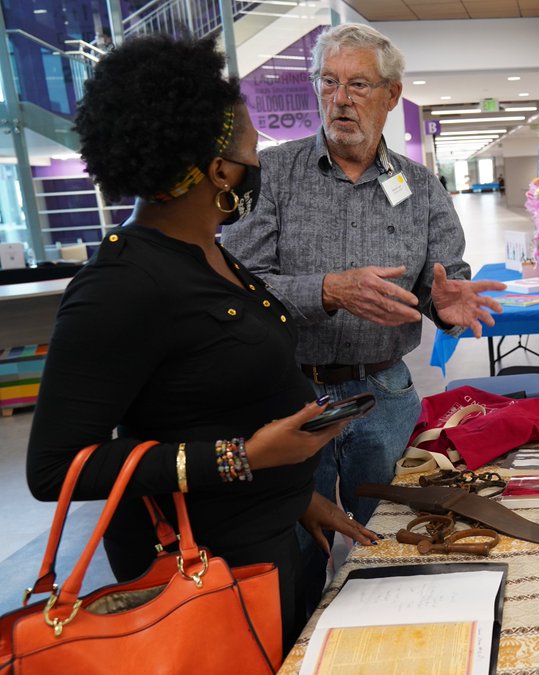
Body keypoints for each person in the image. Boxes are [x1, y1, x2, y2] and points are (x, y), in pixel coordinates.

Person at [25, 35, 377, 651]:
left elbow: (206, 396)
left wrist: (297, 498)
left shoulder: (213, 256)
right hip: (200, 572)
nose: (258, 164)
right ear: (218, 170)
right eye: (252, 151)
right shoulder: (122, 285)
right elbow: (56, 469)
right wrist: (244, 457)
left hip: (268, 540)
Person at [220, 23, 505, 598]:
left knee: (402, 543)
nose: (341, 99)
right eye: (328, 82)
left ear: (392, 94)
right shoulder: (272, 176)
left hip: (386, 397)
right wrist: (327, 289)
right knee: (297, 558)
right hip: (291, 401)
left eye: (357, 84)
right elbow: (241, 287)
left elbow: (443, 282)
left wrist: (447, 305)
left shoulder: (420, 187)